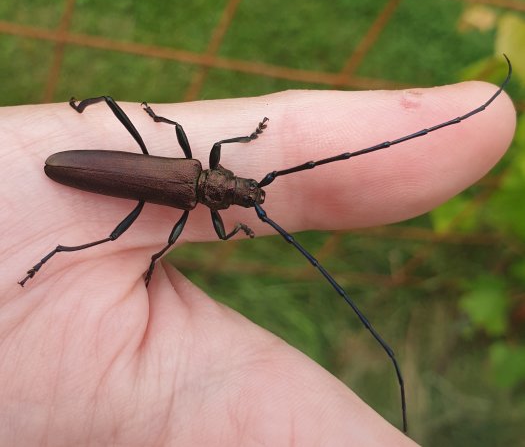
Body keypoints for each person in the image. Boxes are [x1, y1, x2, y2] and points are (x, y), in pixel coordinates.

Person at [1, 81, 515, 445]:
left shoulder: (195, 168)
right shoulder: (193, 202)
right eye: (249, 191)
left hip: (88, 166)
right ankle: (57, 240)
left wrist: (174, 131)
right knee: (113, 110)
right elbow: (221, 224)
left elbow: (203, 180)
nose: (249, 193)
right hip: (74, 164)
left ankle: (56, 248)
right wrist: (184, 246)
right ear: (227, 186)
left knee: (116, 125)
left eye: (247, 195)